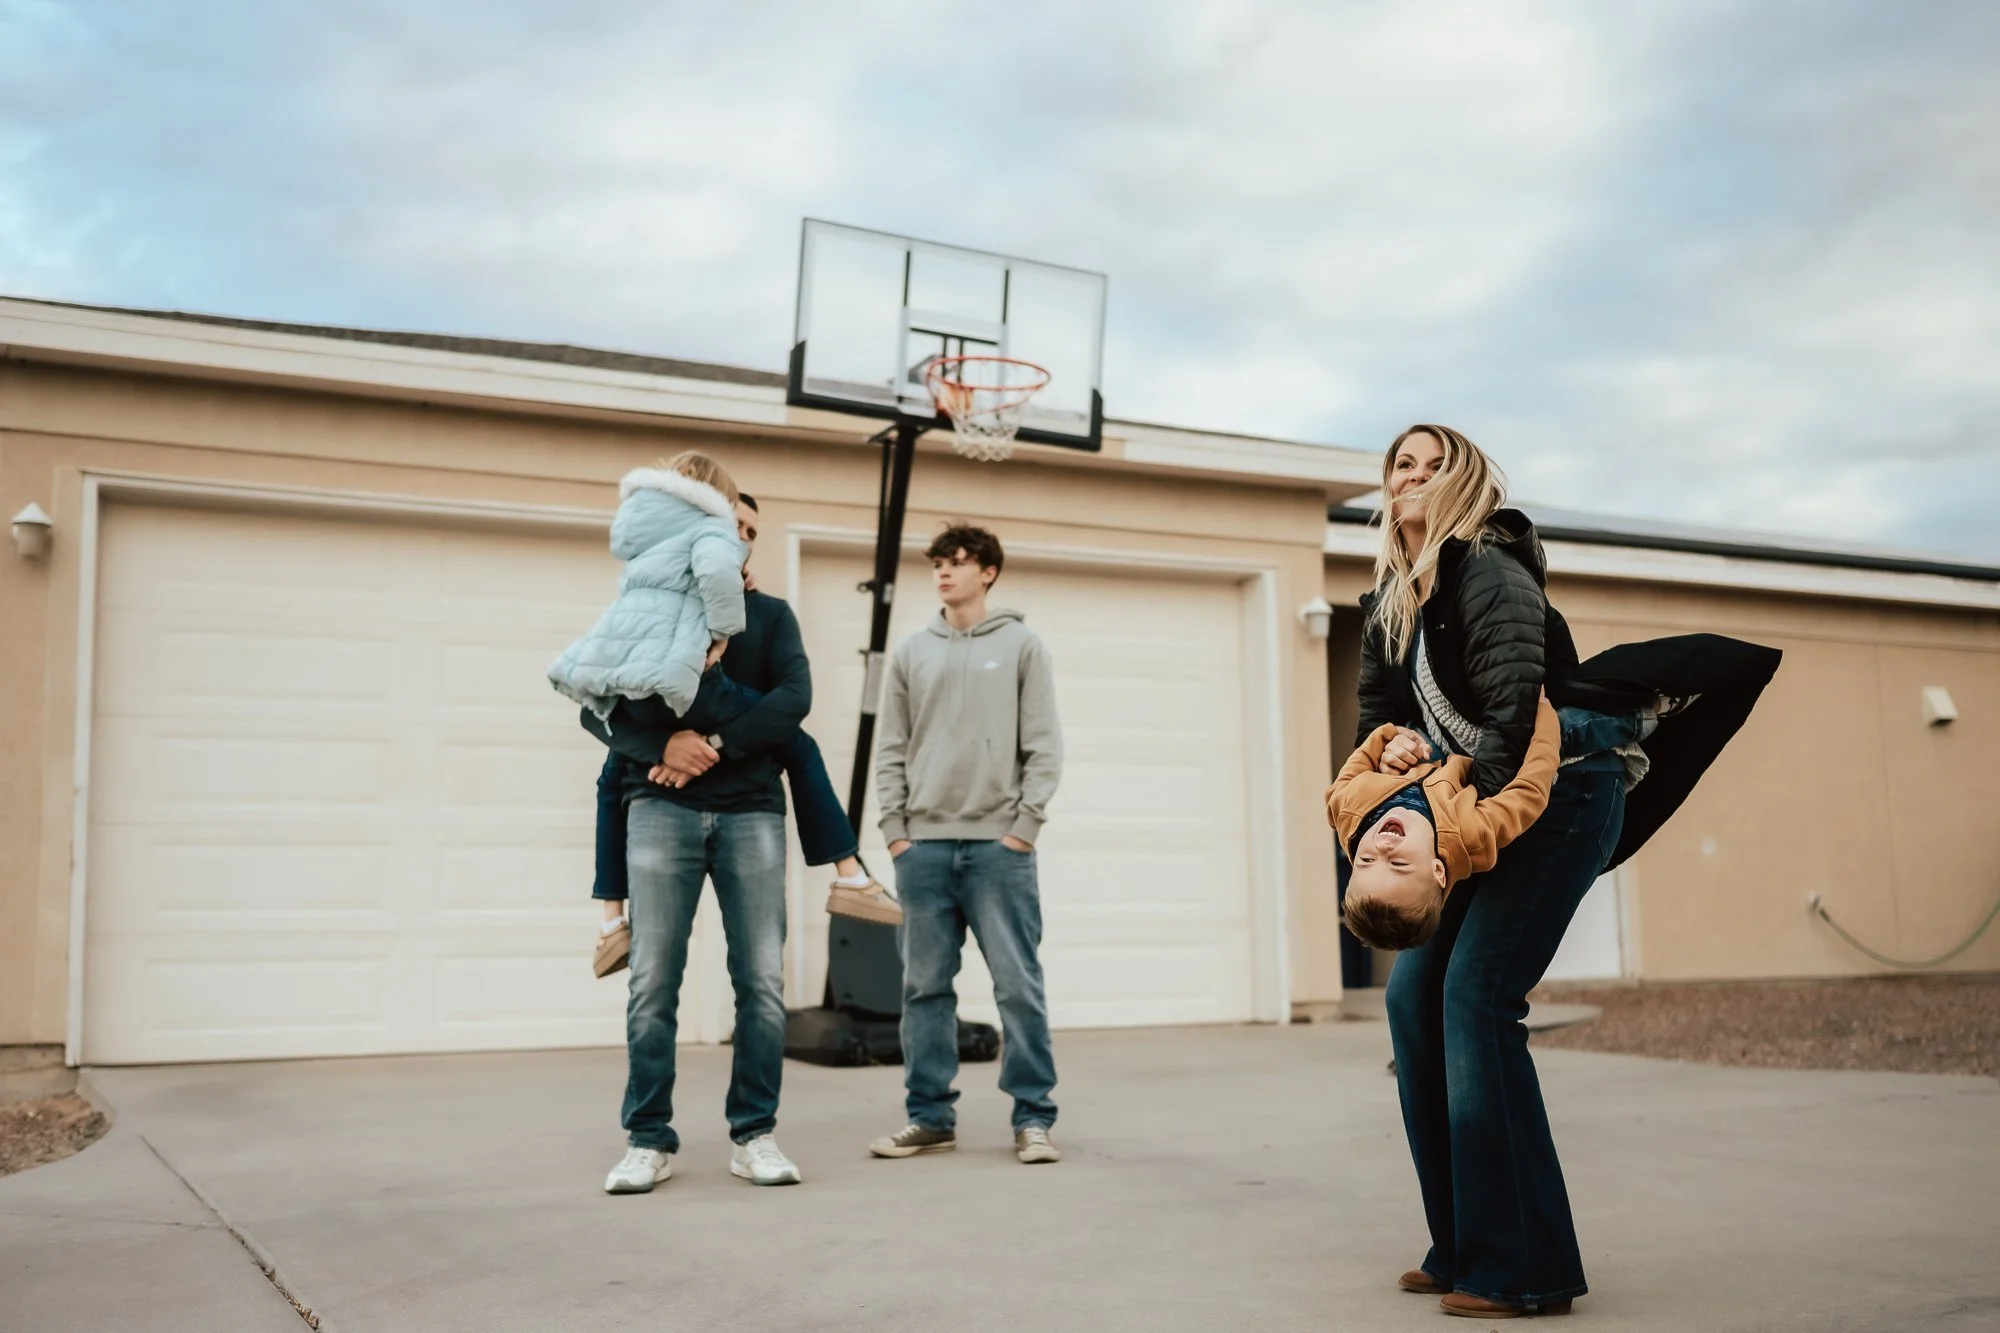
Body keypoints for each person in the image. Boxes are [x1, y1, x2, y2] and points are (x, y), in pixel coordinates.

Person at [1357, 423, 1778, 1318]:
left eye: (1437, 467)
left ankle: (1522, 1266)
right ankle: (1461, 1239)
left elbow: (1512, 715)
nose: (1416, 479)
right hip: (1474, 804)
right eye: (1404, 465)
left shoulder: (1489, 570)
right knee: (1409, 998)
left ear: (1464, 487)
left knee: (1476, 998)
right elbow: (1379, 714)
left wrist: (1447, 828)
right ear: (1387, 487)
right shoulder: (1389, 600)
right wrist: (1390, 744)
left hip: (1560, 792)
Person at [573, 482, 864, 1195]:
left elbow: (793, 702)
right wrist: (661, 747)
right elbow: (599, 709)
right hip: (659, 815)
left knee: (761, 984)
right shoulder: (644, 609)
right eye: (730, 524)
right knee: (652, 983)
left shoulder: (769, 617)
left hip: (751, 815)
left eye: (750, 533)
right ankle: (648, 1138)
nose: (740, 540)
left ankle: (754, 1134)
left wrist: (712, 740)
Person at [867, 524, 1065, 1166]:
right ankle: (929, 1118)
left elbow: (1044, 746)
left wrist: (1022, 830)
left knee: (1017, 986)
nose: (945, 573)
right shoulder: (910, 653)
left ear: (989, 573)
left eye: (958, 563)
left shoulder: (1022, 646)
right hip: (921, 847)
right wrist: (894, 832)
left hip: (997, 852)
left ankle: (1033, 1118)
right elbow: (890, 747)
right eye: (938, 564)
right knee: (923, 989)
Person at [1331, 700, 1668, 950]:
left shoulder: (1347, 810)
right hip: (1479, 760)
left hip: (1424, 749)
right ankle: (1642, 716)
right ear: (1437, 871)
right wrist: (1541, 720)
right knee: (1567, 729)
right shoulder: (1471, 834)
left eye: (1366, 860)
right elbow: (1528, 794)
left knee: (1421, 729)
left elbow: (1356, 764)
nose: (1382, 848)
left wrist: (1390, 738)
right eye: (1398, 864)